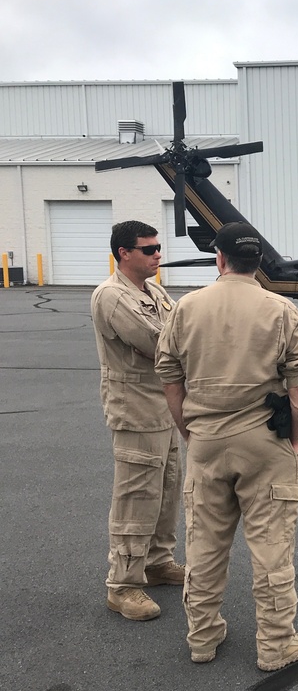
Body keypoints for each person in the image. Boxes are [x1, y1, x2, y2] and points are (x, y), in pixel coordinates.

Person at [155, 222, 298, 671]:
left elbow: (171, 380)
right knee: (271, 545)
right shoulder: (282, 310)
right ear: (259, 261)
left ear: (220, 259)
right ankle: (275, 644)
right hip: (265, 441)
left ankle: (203, 638)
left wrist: (190, 432)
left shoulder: (185, 308)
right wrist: (296, 437)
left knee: (205, 545)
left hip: (206, 442)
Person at [91, 220, 185, 622]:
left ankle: (157, 562)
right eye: (148, 249)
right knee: (136, 495)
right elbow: (158, 343)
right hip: (136, 409)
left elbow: (179, 328)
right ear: (124, 253)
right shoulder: (112, 296)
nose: (157, 254)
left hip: (164, 407)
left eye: (158, 247)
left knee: (166, 490)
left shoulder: (156, 291)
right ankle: (123, 584)